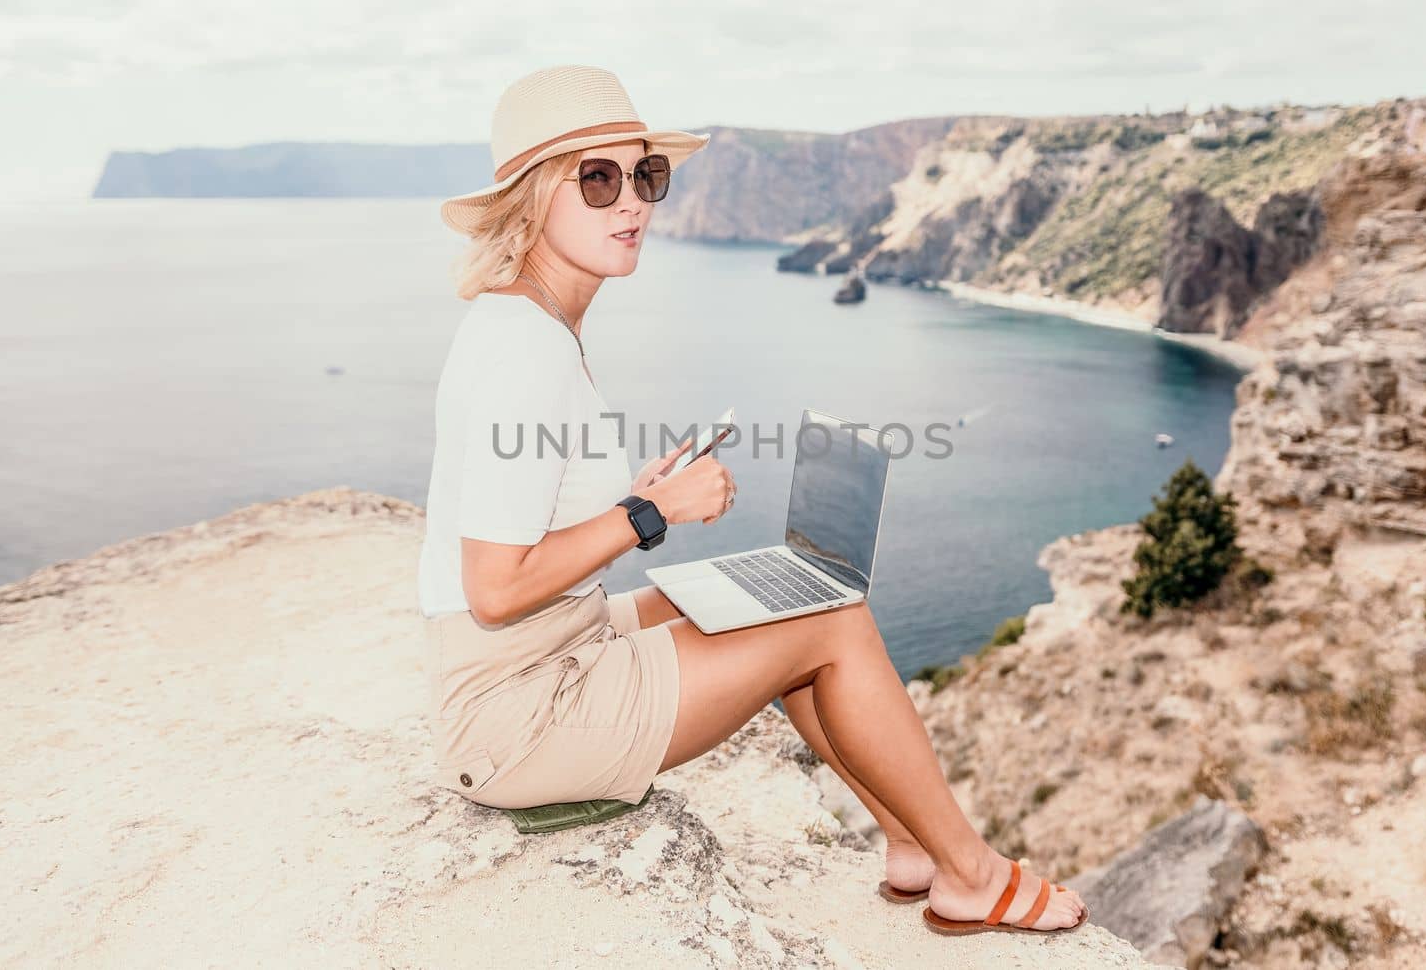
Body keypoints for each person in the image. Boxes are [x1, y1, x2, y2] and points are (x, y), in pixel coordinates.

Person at [419, 64, 1086, 936]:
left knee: (780, 590)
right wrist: (651, 514)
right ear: (537, 198)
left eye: (646, 175)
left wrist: (636, 493)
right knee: (828, 620)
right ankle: (971, 872)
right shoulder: (526, 352)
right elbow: (496, 589)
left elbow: (531, 519)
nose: (633, 203)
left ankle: (909, 843)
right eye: (599, 178)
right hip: (519, 712)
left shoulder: (532, 323)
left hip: (543, 652)